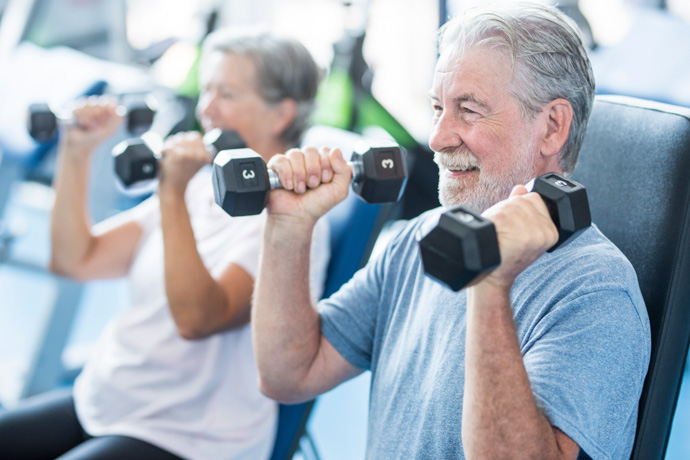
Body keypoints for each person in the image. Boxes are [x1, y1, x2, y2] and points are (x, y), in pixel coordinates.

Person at [251, 3, 651, 459]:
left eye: (469, 110)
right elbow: (288, 373)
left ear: (552, 127)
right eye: (438, 107)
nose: (438, 138)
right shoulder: (416, 239)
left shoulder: (595, 289)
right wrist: (289, 226)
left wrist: (489, 281)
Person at [0, 29, 328, 459]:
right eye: (206, 90)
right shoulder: (199, 184)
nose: (206, 109)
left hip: (184, 435)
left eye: (226, 94)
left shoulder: (289, 218)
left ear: (280, 114)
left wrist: (171, 193)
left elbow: (197, 318)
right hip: (108, 398)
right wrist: (76, 152)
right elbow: (75, 260)